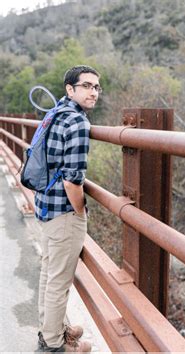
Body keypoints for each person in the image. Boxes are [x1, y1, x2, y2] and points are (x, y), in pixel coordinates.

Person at [36, 65, 101, 353]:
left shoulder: (54, 114)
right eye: (86, 85)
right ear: (70, 89)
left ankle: (53, 330)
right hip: (63, 212)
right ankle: (54, 345)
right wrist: (81, 211)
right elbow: (72, 181)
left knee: (49, 274)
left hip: (45, 207)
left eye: (97, 87)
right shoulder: (77, 122)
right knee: (58, 282)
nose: (93, 92)